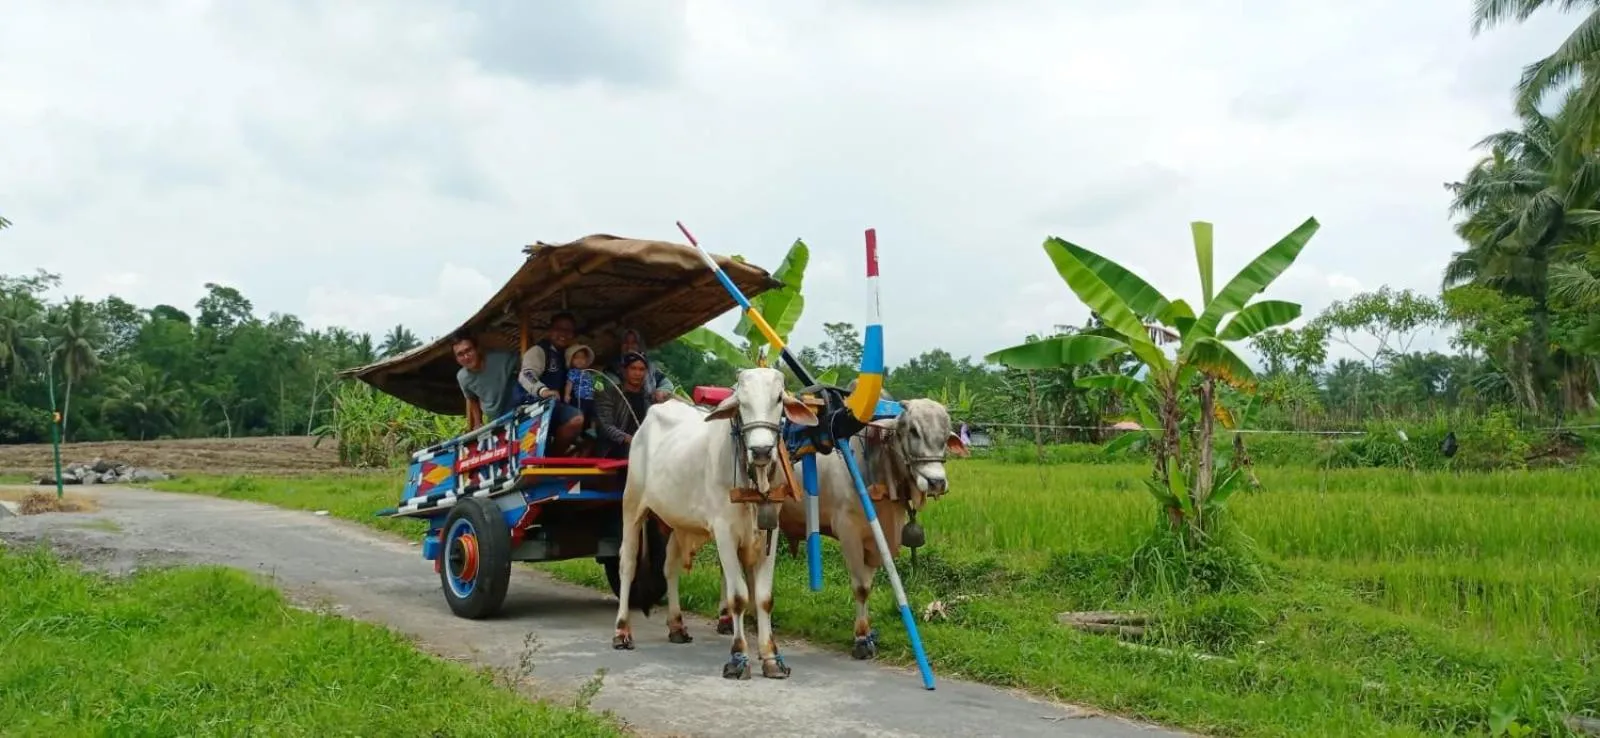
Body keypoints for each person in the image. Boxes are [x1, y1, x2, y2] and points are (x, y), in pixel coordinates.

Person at [517, 311, 586, 454]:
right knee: (529, 448)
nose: (563, 334)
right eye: (559, 329)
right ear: (550, 331)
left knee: (579, 421)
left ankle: (555, 456)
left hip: (557, 407)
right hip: (533, 407)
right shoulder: (538, 351)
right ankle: (547, 457)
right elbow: (526, 375)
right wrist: (543, 391)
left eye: (568, 331)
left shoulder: (570, 355)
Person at [452, 330, 519, 431]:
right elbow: (472, 398)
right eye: (460, 354)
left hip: (517, 410)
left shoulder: (501, 357)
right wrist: (478, 422)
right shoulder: (462, 377)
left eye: (468, 350)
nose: (466, 357)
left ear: (477, 349)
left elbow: (526, 365)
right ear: (456, 359)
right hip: (495, 421)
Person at [593, 351, 655, 459]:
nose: (637, 373)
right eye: (633, 368)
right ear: (624, 370)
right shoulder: (609, 394)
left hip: (644, 449)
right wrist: (631, 440)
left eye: (641, 369)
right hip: (614, 449)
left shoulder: (649, 397)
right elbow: (605, 427)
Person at [613, 327, 675, 403]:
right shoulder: (613, 369)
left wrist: (661, 391)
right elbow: (615, 391)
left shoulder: (649, 367)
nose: (629, 346)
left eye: (633, 343)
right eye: (626, 342)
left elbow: (667, 384)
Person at [564, 343, 598, 423]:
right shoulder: (573, 372)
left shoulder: (589, 373)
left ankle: (590, 428)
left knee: (592, 415)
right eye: (576, 358)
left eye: (582, 358)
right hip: (579, 399)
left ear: (586, 360)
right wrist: (567, 395)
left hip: (590, 399)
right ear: (571, 360)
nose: (580, 360)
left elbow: (595, 385)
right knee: (580, 415)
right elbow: (569, 383)